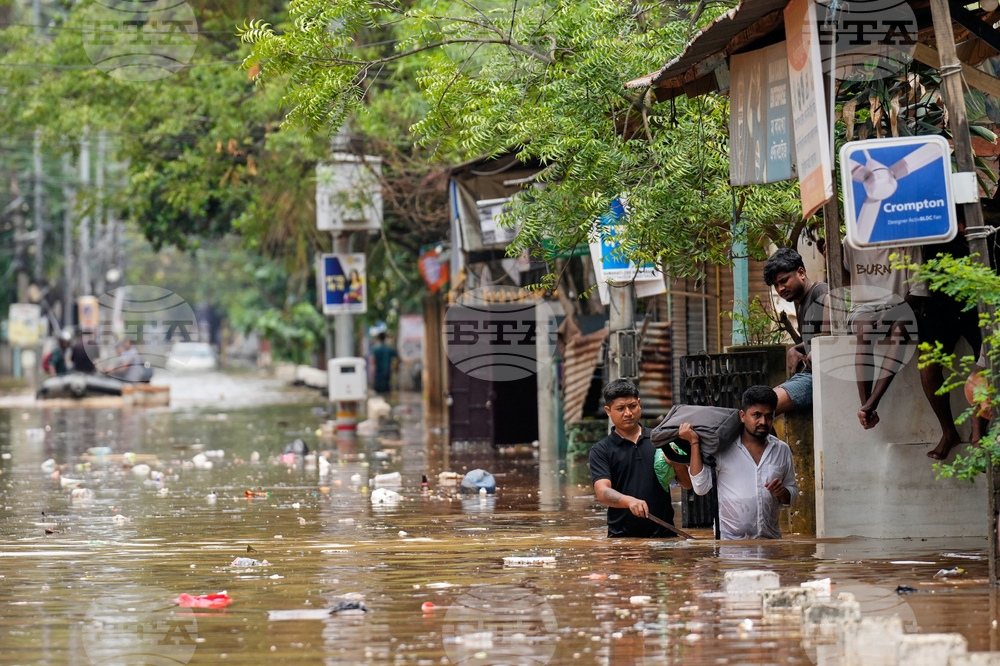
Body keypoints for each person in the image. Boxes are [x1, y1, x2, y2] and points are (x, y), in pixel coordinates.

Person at [685, 385, 798, 540]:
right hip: (730, 549)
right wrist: (694, 443)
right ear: (743, 416)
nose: (763, 422)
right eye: (756, 415)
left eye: (769, 416)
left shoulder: (782, 450)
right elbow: (700, 487)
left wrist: (783, 493)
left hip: (771, 546)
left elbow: (792, 493)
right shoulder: (723, 449)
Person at [589, 379, 692, 538]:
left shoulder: (661, 440)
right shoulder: (601, 450)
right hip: (622, 540)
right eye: (620, 409)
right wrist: (629, 501)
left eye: (632, 406)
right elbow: (602, 492)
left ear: (639, 403)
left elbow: (687, 484)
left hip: (664, 536)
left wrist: (676, 464)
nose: (628, 413)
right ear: (608, 411)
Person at [843, 243, 928, 429]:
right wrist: (829, 257)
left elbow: (919, 293)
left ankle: (872, 402)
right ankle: (866, 407)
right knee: (865, 331)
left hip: (902, 305)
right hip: (862, 308)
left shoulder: (907, 242)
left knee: (901, 330)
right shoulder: (851, 241)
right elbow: (846, 283)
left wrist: (891, 313)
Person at [919, 217, 985, 459]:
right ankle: (949, 432)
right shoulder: (930, 218)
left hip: (977, 302)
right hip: (941, 303)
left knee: (985, 364)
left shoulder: (983, 218)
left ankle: (978, 433)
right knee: (927, 367)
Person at [763, 248, 829, 415]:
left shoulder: (821, 292)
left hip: (817, 378)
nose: (780, 289)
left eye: (784, 281)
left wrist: (818, 351)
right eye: (776, 285)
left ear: (801, 272)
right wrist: (796, 348)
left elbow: (831, 337)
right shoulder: (803, 303)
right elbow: (813, 338)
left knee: (761, 407)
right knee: (754, 406)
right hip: (807, 376)